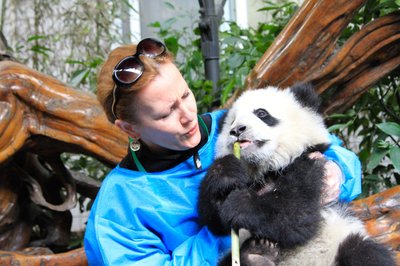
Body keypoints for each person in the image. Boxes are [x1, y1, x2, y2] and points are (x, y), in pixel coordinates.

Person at [83, 38, 361, 265]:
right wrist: (238, 227)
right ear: (130, 129)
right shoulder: (117, 209)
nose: (188, 115)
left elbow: (324, 145)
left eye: (185, 95)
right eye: (166, 113)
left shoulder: (232, 124)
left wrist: (338, 171)